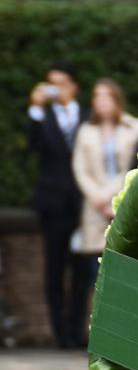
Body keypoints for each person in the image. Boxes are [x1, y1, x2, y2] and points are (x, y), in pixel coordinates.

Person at [28, 61, 89, 348]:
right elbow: (33, 146)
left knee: (81, 271)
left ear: (73, 86)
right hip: (53, 204)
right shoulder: (43, 118)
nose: (56, 90)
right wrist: (36, 110)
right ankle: (60, 333)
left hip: (81, 205)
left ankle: (77, 330)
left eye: (61, 84)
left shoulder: (87, 118)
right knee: (54, 269)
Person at [72, 79, 138, 283]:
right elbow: (80, 168)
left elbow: (135, 165)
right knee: (97, 277)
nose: (101, 100)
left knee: (126, 270)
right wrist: (96, 196)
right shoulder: (86, 130)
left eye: (107, 95)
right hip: (94, 209)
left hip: (125, 201)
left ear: (117, 98)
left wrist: (107, 196)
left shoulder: (135, 127)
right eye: (97, 95)